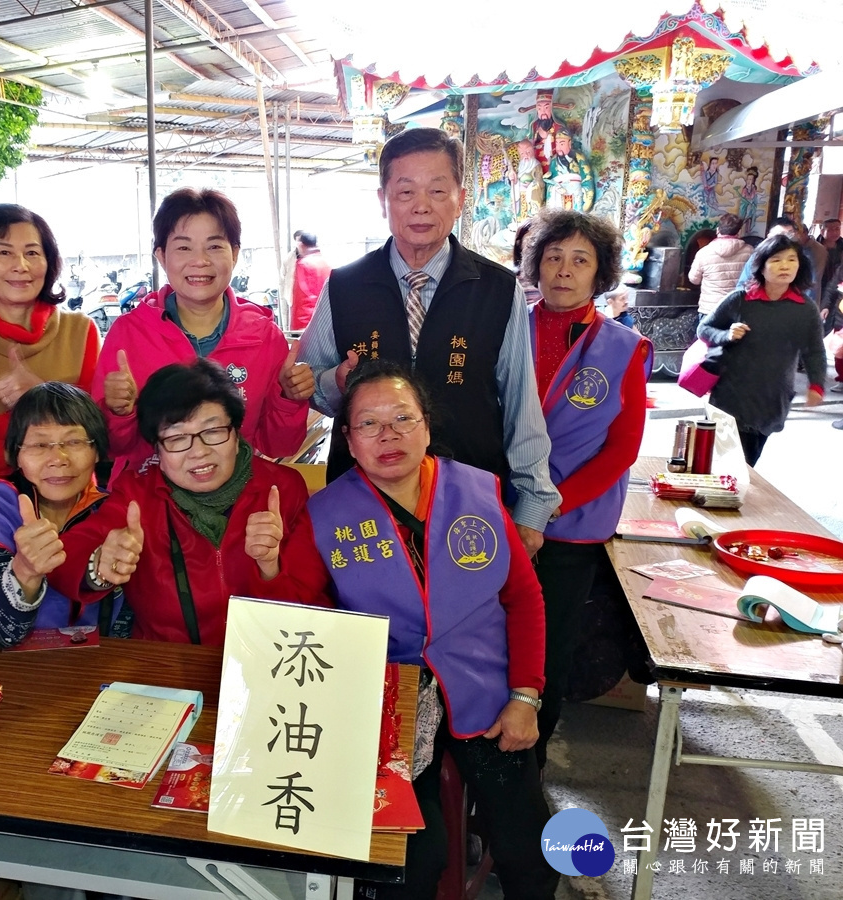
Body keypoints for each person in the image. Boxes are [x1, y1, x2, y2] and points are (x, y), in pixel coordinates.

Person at [305, 362, 554, 900]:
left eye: (402, 418)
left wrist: (525, 696)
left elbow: (524, 597)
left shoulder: (477, 493)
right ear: (347, 438)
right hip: (388, 700)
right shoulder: (325, 515)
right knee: (412, 859)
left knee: (528, 848)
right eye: (368, 424)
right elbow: (312, 620)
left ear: (426, 426)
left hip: (487, 688)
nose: (388, 435)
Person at [299, 126, 560, 558]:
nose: (422, 206)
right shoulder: (345, 286)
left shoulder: (496, 289)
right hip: (364, 502)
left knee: (463, 621)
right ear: (383, 201)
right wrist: (335, 384)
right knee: (368, 618)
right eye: (405, 192)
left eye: (438, 191)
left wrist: (532, 509)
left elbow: (521, 405)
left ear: (459, 197)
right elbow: (311, 382)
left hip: (469, 501)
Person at [51, 359, 328, 645]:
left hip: (267, 659)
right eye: (177, 437)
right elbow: (67, 557)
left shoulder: (282, 488)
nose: (199, 452)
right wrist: (99, 564)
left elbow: (309, 602)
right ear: (157, 447)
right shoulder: (138, 496)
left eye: (212, 431)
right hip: (170, 668)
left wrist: (270, 570)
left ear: (235, 433)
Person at [520, 209, 652, 768]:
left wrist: (549, 508)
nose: (564, 271)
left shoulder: (623, 348)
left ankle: (531, 767)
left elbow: (621, 450)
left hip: (570, 529)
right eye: (553, 257)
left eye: (580, 260)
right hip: (498, 518)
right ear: (536, 266)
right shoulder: (508, 328)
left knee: (545, 656)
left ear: (600, 275)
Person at [92, 188, 312, 481]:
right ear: (161, 256)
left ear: (234, 254)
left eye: (214, 246)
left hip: (233, 502)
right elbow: (112, 446)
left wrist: (289, 398)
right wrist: (119, 411)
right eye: (183, 248)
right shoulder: (128, 334)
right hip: (149, 502)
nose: (200, 261)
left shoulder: (264, 337)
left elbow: (280, 445)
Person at [0, 383, 126, 648]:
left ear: (97, 451)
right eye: (40, 444)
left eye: (74, 442)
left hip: (92, 666)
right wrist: (25, 572)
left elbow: (125, 621)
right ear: (15, 455)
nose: (58, 458)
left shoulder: (111, 511)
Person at [0, 204, 100, 508]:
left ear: (49, 261)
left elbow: (99, 436)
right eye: (4, 253)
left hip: (75, 508)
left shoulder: (80, 331)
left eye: (32, 253)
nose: (21, 266)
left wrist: (42, 396)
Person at [698, 233, 826, 466]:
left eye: (791, 259)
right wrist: (725, 334)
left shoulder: (805, 309)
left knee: (747, 465)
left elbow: (815, 351)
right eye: (776, 260)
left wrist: (816, 385)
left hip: (771, 400)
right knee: (720, 465)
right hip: (730, 397)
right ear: (761, 266)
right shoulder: (740, 299)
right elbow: (704, 329)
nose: (785, 266)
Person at [688, 212, 751, 322]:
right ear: (739, 232)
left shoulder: (704, 252)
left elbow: (694, 280)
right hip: (736, 308)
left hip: (710, 309)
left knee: (706, 339)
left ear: (718, 230)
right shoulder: (750, 251)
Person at [289, 231, 331, 331]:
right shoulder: (326, 262)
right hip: (326, 317)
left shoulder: (303, 264)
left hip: (307, 320)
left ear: (301, 245)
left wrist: (296, 326)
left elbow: (301, 296)